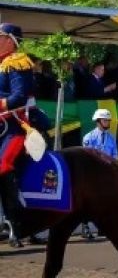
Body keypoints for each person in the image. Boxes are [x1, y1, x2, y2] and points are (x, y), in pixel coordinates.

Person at [0, 23, 52, 247]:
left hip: (17, 125)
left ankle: (15, 222)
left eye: (0, 36)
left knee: (2, 166)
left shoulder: (17, 62)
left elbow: (19, 97)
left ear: (11, 40)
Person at [80, 108, 118, 239]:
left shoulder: (111, 138)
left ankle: (102, 227)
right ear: (98, 121)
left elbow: (115, 156)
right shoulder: (89, 137)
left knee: (105, 202)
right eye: (105, 120)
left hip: (106, 176)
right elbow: (86, 158)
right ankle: (85, 227)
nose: (107, 122)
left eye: (108, 120)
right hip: (92, 175)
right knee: (88, 202)